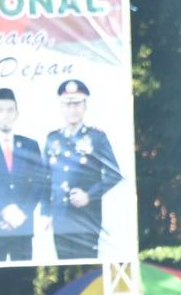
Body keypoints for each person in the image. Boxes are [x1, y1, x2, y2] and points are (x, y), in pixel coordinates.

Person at [43, 79, 122, 260]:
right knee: (63, 267)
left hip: (87, 216)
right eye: (68, 104)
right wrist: (46, 213)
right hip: (60, 216)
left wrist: (90, 195)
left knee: (86, 265)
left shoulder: (97, 138)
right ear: (61, 107)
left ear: (85, 106)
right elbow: (45, 178)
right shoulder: (52, 139)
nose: (73, 109)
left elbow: (113, 173)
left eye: (77, 104)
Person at [0, 87, 47, 263]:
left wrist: (23, 212)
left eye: (10, 110)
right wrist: (5, 209)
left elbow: (40, 182)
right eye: (0, 110)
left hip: (22, 225)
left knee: (22, 281)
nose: (5, 115)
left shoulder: (30, 145)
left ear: (17, 113)